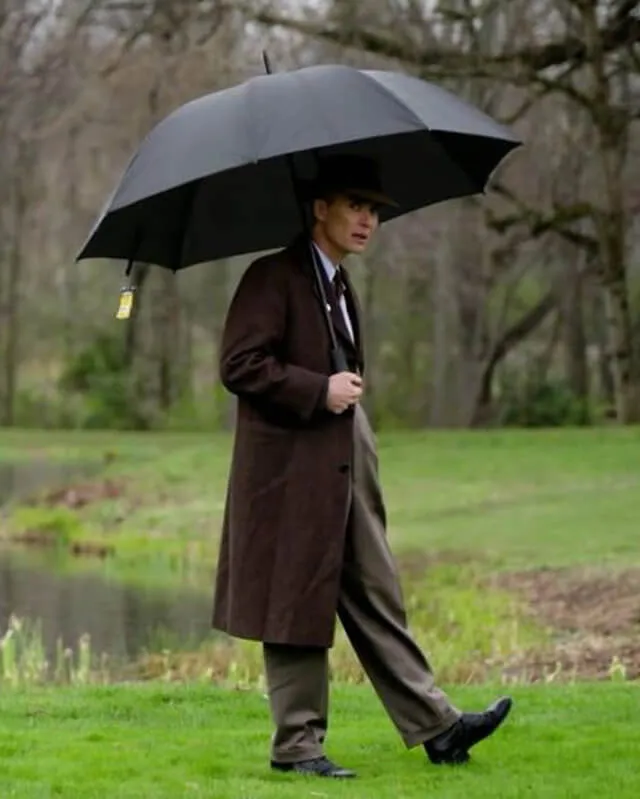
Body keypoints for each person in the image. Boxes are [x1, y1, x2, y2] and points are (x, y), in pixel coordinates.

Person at [212, 153, 512, 779]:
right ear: (318, 207)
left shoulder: (338, 282)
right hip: (291, 471)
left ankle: (439, 727)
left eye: (374, 209)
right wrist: (317, 389)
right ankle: (296, 747)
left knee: (376, 590)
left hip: (344, 460)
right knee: (294, 603)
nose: (368, 219)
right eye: (355, 205)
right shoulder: (274, 276)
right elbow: (239, 364)